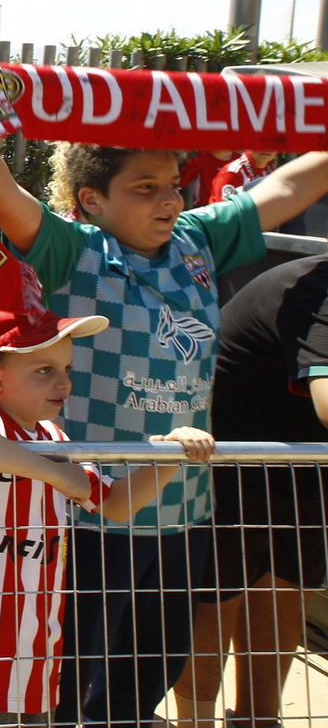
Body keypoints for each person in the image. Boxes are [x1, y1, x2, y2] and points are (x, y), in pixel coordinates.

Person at [0, 57, 328, 728]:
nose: (170, 199)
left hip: (183, 515)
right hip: (91, 517)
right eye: (146, 187)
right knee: (69, 683)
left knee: (150, 677)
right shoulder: (71, 252)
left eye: (172, 183)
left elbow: (285, 187)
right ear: (91, 199)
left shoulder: (198, 239)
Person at [0, 306, 215, 725]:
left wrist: (172, 455)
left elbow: (116, 504)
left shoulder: (55, 436)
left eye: (67, 367)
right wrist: (59, 475)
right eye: (44, 370)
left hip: (36, 647)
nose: (64, 381)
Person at [171, 255, 328, 728]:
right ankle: (194, 722)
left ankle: (258, 721)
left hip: (302, 464)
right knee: (217, 594)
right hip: (225, 451)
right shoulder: (319, 288)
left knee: (287, 585)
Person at [207, 150, 277, 204]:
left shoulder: (271, 169)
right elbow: (224, 212)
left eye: (273, 144)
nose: (266, 149)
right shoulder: (232, 173)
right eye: (261, 143)